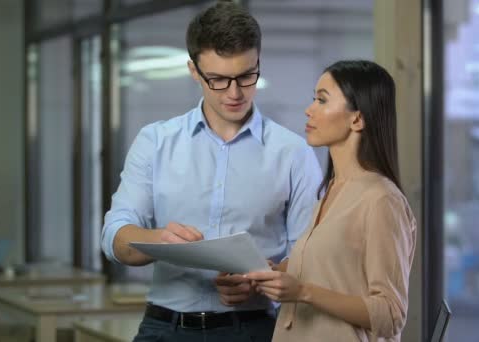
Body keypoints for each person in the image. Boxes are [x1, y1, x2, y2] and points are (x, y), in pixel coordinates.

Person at [100, 2, 321, 341]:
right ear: (194, 70)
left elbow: (309, 259)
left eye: (246, 76)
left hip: (253, 330)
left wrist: (260, 283)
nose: (234, 93)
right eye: (217, 79)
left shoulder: (293, 153)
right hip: (164, 329)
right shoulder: (155, 141)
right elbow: (114, 238)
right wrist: (158, 239)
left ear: (258, 61)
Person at [245, 60, 417, 342]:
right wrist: (269, 273)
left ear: (357, 119)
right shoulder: (331, 190)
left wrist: (302, 291)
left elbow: (390, 314)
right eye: (314, 98)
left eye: (322, 100)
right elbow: (332, 270)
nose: (309, 109)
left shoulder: (381, 200)